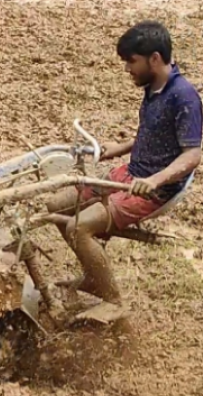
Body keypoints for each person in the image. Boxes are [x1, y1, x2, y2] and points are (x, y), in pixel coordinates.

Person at [43, 21, 201, 308]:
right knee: (57, 206)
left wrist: (155, 180)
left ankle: (111, 299)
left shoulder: (184, 97)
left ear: (154, 58)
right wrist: (118, 149)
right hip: (129, 174)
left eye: (131, 62)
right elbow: (151, 132)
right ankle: (95, 274)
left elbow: (192, 155)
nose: (127, 69)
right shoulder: (154, 87)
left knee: (78, 228)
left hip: (151, 190)